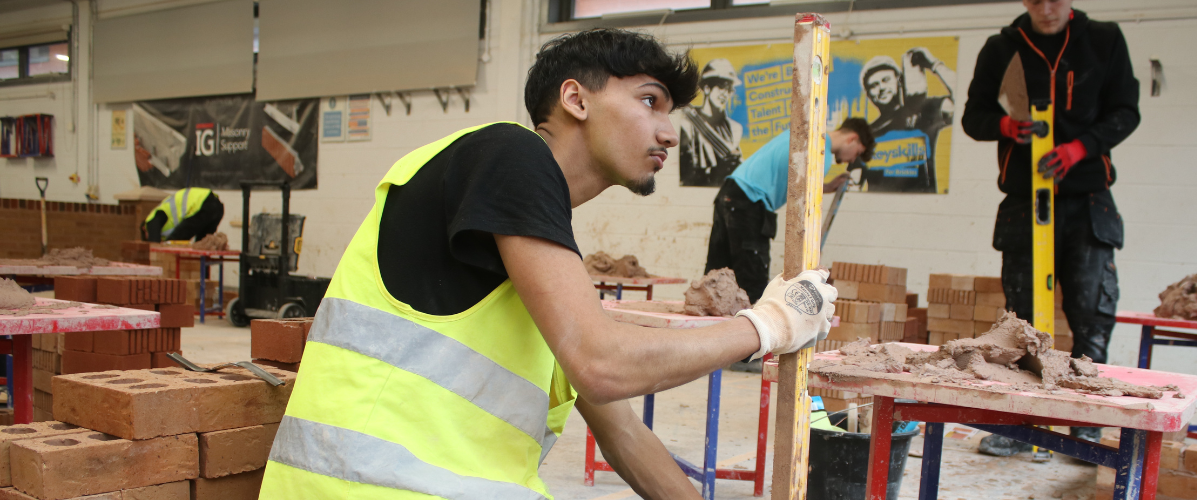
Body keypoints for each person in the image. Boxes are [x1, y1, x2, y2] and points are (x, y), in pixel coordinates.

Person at [259, 29, 838, 500]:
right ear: (576, 99)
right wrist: (768, 326)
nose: (668, 131)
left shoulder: (535, 256)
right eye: (648, 100)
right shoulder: (512, 153)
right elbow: (601, 364)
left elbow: (624, 432)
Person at [962, 0, 1139, 455]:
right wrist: (1004, 124)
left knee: (1091, 316)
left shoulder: (1104, 40)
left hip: (1086, 199)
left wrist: (1080, 149)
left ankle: (1086, 425)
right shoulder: (1002, 48)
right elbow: (973, 117)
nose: (1045, 9)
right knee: (1020, 323)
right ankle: (1020, 425)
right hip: (1025, 201)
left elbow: (1125, 111)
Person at [705, 118, 873, 306]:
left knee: (717, 274)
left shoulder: (802, 135)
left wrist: (826, 186)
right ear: (852, 139)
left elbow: (793, 179)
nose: (851, 160)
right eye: (857, 154)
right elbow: (803, 201)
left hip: (730, 193)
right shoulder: (820, 153)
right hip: (750, 202)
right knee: (752, 281)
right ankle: (751, 333)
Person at [859, 47, 955, 193]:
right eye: (874, 85)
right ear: (869, 94)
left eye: (886, 80)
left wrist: (934, 65)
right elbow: (855, 179)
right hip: (877, 207)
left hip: (920, 206)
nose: (881, 88)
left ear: (899, 81)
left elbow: (966, 101)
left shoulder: (924, 112)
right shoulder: (866, 132)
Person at [678, 58, 744, 186]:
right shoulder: (687, 124)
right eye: (721, 87)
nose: (725, 94)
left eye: (729, 89)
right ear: (707, 88)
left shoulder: (734, 128)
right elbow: (684, 178)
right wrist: (715, 172)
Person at [141, 187, 224, 243]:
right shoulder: (164, 222)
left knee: (174, 243)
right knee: (201, 246)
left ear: (144, 229)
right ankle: (200, 270)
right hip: (217, 207)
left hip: (201, 204)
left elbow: (154, 242)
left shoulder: (151, 220)